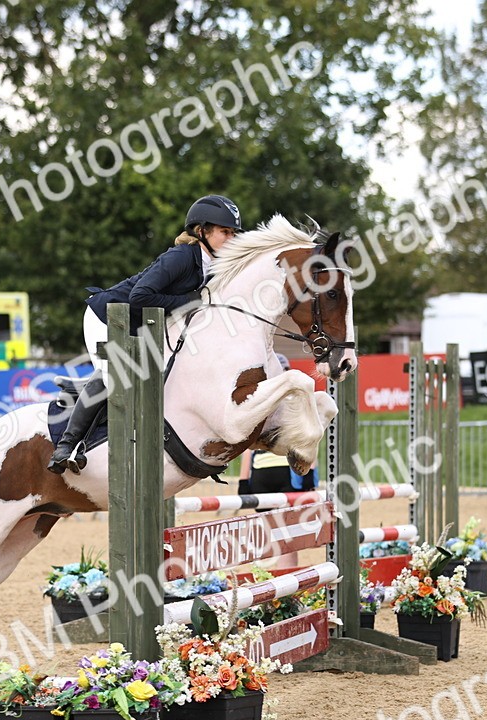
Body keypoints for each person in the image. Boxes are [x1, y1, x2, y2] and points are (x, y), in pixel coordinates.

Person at [47, 194, 244, 474]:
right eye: (226, 232)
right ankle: (66, 447)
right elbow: (141, 297)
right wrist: (193, 300)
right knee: (113, 374)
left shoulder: (212, 266)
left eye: (234, 233)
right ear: (202, 231)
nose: (231, 238)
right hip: (106, 317)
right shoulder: (181, 257)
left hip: (139, 327)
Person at [236, 354, 318, 568]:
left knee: (267, 536)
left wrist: (243, 481)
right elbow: (308, 442)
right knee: (286, 539)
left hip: (262, 473)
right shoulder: (297, 403)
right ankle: (285, 592)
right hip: (286, 474)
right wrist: (310, 477)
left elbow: (248, 447)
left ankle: (267, 589)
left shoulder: (259, 402)